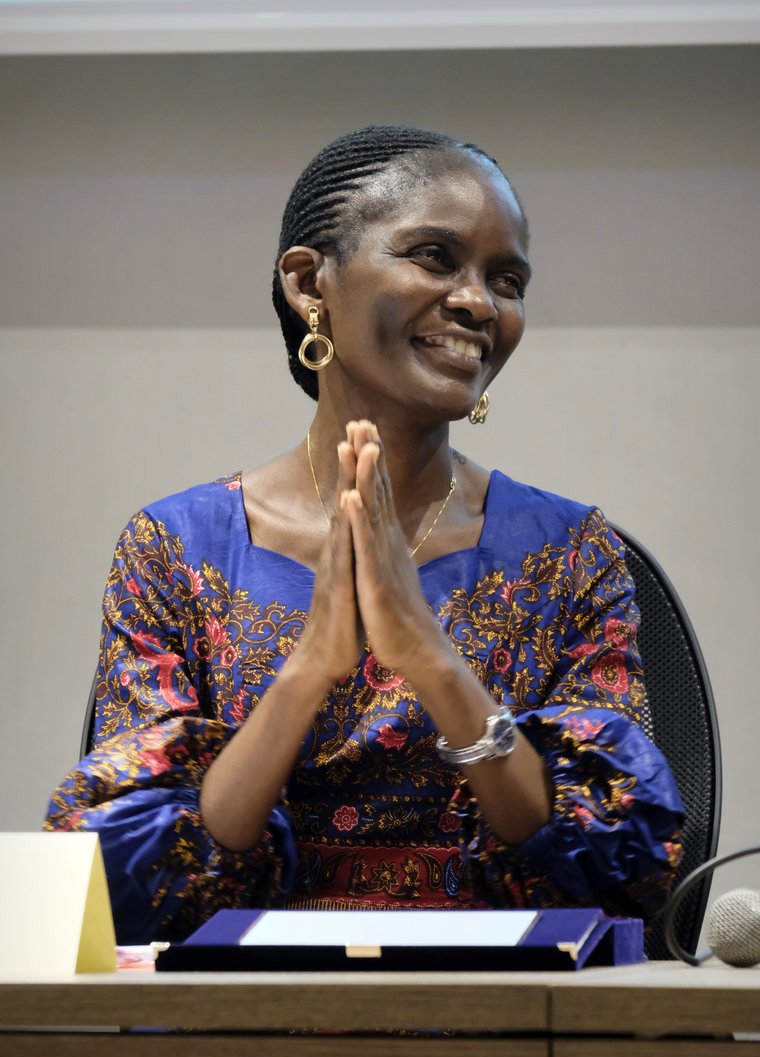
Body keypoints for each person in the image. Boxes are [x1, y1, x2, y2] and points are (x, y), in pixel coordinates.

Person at [45, 125, 684, 944]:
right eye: (434, 256)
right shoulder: (175, 548)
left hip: (509, 1024)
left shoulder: (571, 554)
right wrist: (312, 665)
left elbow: (617, 870)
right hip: (237, 1030)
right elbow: (134, 886)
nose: (479, 302)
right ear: (310, 283)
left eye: (507, 278)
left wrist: (431, 656)